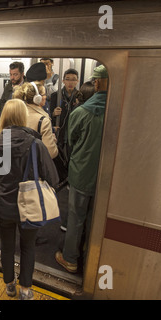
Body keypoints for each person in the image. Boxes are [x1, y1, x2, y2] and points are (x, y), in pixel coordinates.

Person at [0, 99, 58, 300]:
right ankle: (25, 289)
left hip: (4, 207)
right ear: (23, 117)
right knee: (28, 247)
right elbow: (53, 178)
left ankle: (9, 284)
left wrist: (2, 191)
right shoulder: (36, 145)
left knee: (7, 246)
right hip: (31, 207)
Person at [55, 65, 108, 274]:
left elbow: (70, 141)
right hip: (107, 178)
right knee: (97, 218)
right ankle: (93, 259)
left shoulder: (81, 112)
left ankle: (70, 259)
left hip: (82, 173)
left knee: (76, 217)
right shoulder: (122, 110)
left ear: (96, 82)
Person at [50, 68, 83, 187]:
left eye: (73, 80)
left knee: (72, 156)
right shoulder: (55, 96)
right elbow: (49, 118)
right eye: (68, 79)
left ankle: (70, 180)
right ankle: (60, 179)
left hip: (73, 132)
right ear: (63, 81)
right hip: (60, 131)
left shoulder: (80, 97)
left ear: (77, 81)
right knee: (58, 156)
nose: (70, 82)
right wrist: (53, 114)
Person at [13, 81, 58, 159]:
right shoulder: (43, 120)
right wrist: (53, 142)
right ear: (37, 98)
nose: (46, 97)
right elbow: (51, 153)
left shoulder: (15, 115)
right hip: (34, 167)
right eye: (44, 94)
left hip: (17, 165)